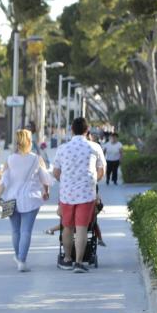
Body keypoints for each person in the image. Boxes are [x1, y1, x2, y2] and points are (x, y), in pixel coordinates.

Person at [53, 117, 106, 273]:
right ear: (87, 130)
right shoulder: (95, 147)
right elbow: (101, 170)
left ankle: (67, 259)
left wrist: (65, 180)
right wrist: (93, 180)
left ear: (71, 130)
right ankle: (78, 263)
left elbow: (56, 172)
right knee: (82, 228)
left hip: (67, 194)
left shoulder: (62, 148)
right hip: (87, 193)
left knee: (67, 227)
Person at [0, 129, 52, 272]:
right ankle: (22, 260)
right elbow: (45, 178)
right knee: (26, 231)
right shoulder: (36, 159)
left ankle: (18, 257)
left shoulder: (10, 159)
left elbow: (4, 181)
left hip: (10, 199)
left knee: (15, 231)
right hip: (31, 199)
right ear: (29, 142)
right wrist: (46, 191)